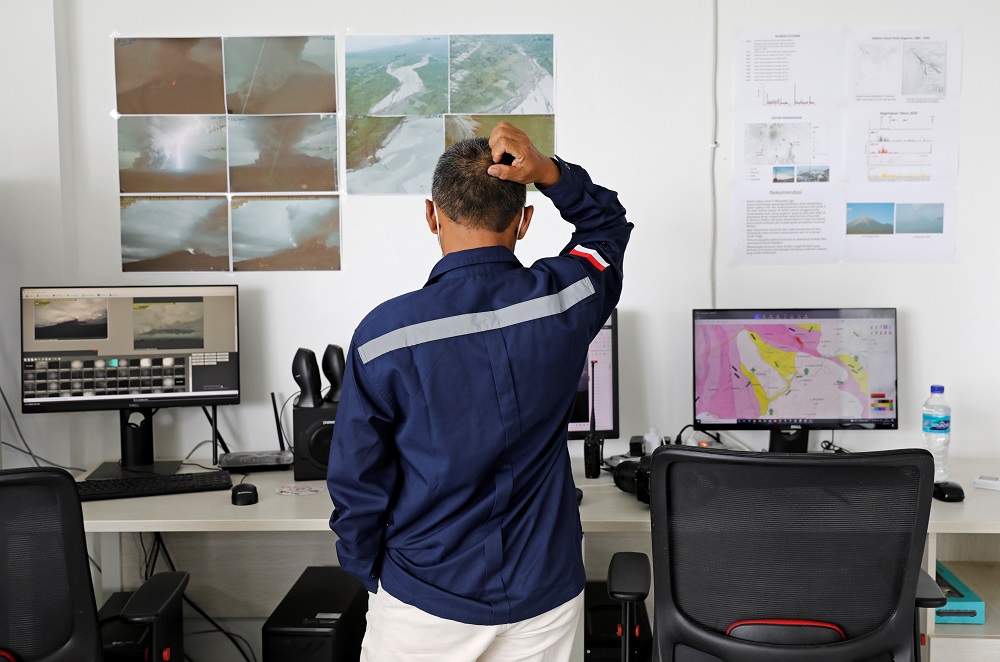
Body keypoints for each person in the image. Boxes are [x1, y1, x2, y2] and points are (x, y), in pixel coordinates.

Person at [327, 121, 632, 661]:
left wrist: (372, 571)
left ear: (431, 214)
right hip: (545, 596)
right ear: (525, 222)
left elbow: (356, 483)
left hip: (423, 598)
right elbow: (606, 226)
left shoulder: (383, 336)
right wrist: (548, 172)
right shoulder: (566, 298)